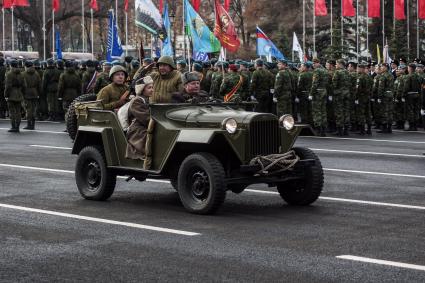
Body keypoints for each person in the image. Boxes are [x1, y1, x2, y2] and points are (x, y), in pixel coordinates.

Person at [125, 76, 154, 160]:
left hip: (146, 125)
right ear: (142, 89)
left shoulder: (148, 100)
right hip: (137, 128)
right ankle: (148, 157)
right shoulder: (137, 101)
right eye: (149, 88)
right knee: (151, 137)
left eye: (152, 87)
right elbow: (145, 118)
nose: (152, 90)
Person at [4, 59, 26, 132]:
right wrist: (22, 93)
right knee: (18, 111)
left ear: (11, 65)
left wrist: (6, 95)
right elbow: (24, 85)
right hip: (19, 93)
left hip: (11, 94)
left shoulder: (9, 74)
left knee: (12, 111)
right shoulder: (21, 74)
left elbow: (8, 86)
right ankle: (17, 126)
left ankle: (13, 126)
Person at [309, 58, 329, 136]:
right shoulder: (324, 70)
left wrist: (311, 94)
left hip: (317, 92)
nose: (313, 65)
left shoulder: (317, 71)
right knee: (323, 110)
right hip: (324, 91)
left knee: (317, 111)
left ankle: (319, 129)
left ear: (317, 63)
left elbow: (315, 83)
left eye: (314, 63)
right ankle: (324, 128)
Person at [332, 59, 351, 136]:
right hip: (346, 93)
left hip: (339, 94)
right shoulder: (347, 72)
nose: (336, 65)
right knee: (346, 111)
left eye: (336, 64)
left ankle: (340, 130)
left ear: (340, 64)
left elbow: (334, 84)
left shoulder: (337, 72)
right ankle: (346, 130)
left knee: (339, 112)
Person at [22, 60, 42, 130]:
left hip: (26, 93)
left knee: (28, 109)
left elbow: (22, 85)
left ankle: (29, 124)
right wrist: (39, 93)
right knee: (33, 109)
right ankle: (33, 124)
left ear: (26, 66)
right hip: (34, 92)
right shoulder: (36, 73)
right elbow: (39, 85)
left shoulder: (23, 74)